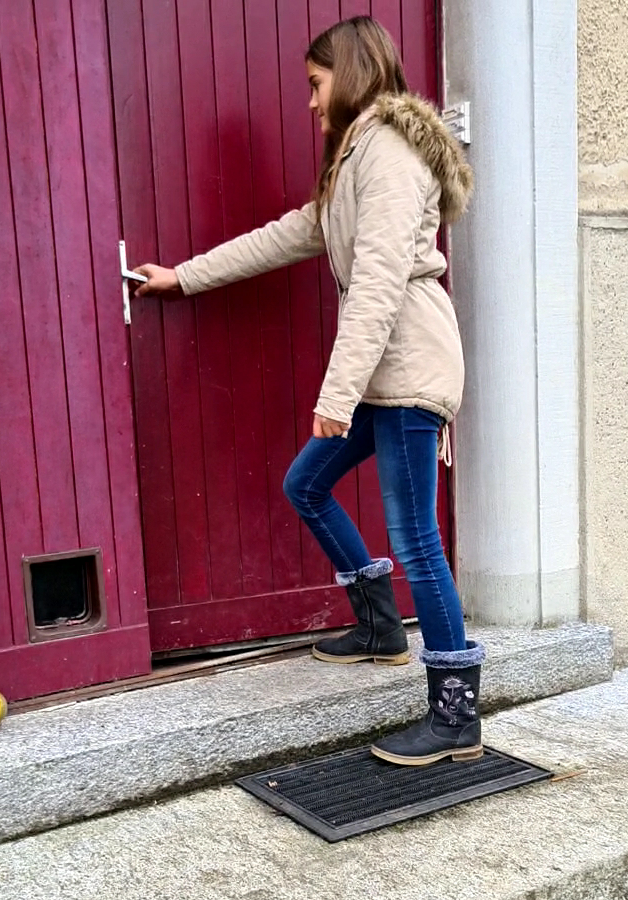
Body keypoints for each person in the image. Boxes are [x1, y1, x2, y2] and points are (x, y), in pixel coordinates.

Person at [133, 17, 483, 768]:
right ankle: (380, 627)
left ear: (349, 73)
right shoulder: (356, 158)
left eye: (316, 84)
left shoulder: (389, 155)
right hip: (380, 375)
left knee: (417, 540)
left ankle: (456, 716)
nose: (311, 102)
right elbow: (284, 236)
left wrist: (336, 395)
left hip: (406, 369)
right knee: (307, 484)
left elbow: (380, 285)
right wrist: (183, 277)